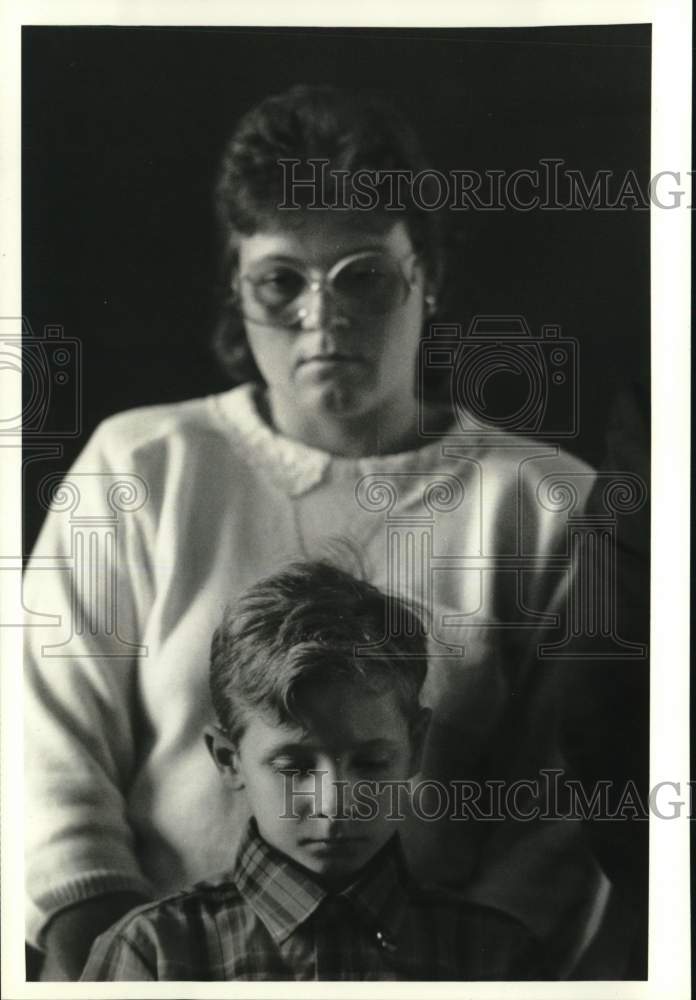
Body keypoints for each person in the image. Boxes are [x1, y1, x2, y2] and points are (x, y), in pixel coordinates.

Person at [24, 83, 598, 980]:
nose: (321, 318)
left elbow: (567, 808)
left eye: (363, 276)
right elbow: (43, 750)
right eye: (280, 281)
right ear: (238, 289)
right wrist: (117, 955)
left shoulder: (547, 504)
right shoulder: (139, 466)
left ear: (427, 277)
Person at [81, 560, 542, 981]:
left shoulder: (496, 959)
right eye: (294, 768)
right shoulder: (152, 954)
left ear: (416, 745)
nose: (335, 803)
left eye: (370, 763)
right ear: (228, 758)